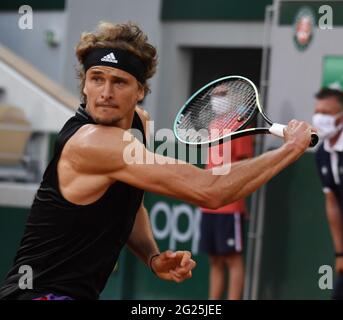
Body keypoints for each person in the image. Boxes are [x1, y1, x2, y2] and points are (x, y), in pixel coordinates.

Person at [0, 21, 313, 300]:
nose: (105, 92)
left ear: (140, 91)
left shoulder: (139, 122)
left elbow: (130, 203)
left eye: (119, 82)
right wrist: (289, 150)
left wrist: (151, 256)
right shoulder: (92, 142)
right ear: (84, 84)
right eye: (96, 78)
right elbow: (212, 190)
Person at [199, 134, 253, 300]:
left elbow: (248, 167)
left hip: (230, 206)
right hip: (208, 205)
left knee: (232, 260)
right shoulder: (213, 124)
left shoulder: (242, 127)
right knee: (214, 260)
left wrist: (242, 201)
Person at [313, 88, 343, 300]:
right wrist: (341, 254)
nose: (320, 118)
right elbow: (332, 202)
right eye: (317, 111)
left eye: (326, 113)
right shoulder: (321, 154)